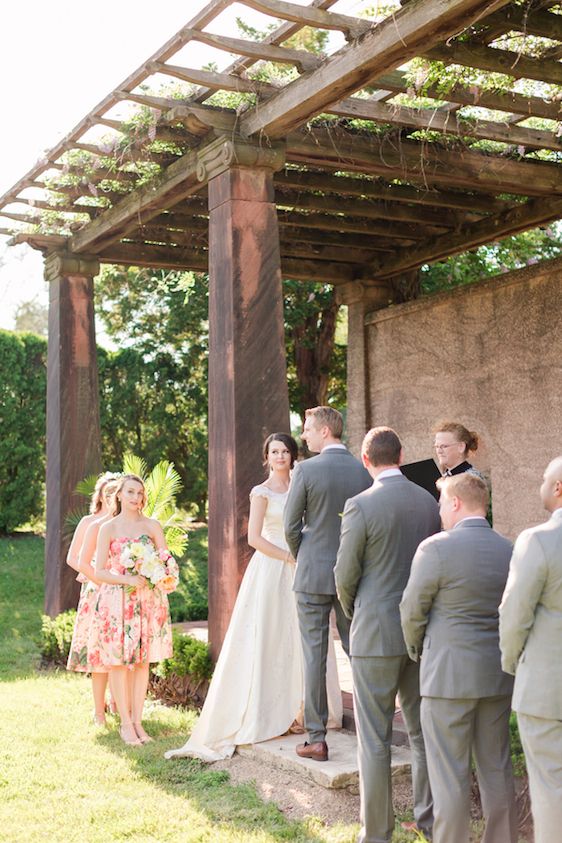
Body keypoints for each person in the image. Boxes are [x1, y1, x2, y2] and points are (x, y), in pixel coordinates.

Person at [165, 433, 342, 763]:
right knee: (272, 636)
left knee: (304, 638)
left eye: (285, 451)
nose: (279, 456)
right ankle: (270, 711)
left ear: (293, 456)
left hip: (305, 568)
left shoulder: (303, 484)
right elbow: (255, 538)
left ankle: (304, 711)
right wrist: (290, 557)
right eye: (274, 451)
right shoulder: (261, 493)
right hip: (273, 569)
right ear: (267, 456)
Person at [334, 426, 440, 843]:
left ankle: (377, 832)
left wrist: (356, 611)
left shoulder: (360, 505)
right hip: (422, 633)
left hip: (375, 632)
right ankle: (429, 822)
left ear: (365, 460)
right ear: (400, 455)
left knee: (374, 738)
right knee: (421, 732)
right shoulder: (429, 502)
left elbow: (345, 575)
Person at [400, 472, 517, 843]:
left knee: (448, 774)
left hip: (446, 675)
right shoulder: (509, 548)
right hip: (496, 674)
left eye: (440, 504)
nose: (439, 512)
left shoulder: (435, 548)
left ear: (455, 502)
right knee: (496, 768)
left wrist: (418, 649)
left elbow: (411, 610)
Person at [284, 407, 371, 762]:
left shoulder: (305, 470)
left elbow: (291, 526)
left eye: (307, 430)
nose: (303, 436)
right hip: (354, 576)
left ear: (323, 431)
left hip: (312, 575)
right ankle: (372, 728)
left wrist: (306, 555)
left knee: (314, 655)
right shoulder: (363, 470)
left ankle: (316, 738)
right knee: (359, 650)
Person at [499, 456, 562, 843]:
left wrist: (511, 663)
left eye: (543, 479)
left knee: (549, 784)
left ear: (558, 487)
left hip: (546, 686)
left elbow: (514, 614)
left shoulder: (538, 540)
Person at [88, 474, 175, 746]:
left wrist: (163, 575)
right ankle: (125, 725)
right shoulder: (108, 528)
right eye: (130, 492)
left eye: (139, 493)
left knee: (141, 662)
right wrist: (127, 579)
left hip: (148, 600)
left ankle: (138, 722)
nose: (135, 498)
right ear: (119, 495)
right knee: (118, 662)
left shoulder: (152, 526)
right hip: (117, 602)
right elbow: (99, 570)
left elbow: (164, 560)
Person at [66, 472, 120, 724]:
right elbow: (73, 558)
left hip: (121, 593)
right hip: (96, 591)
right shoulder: (90, 522)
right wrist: (95, 577)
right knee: (99, 655)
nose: (110, 496)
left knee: (120, 652)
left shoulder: (124, 523)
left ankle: (118, 703)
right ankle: (99, 711)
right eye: (106, 492)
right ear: (99, 495)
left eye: (114, 491)